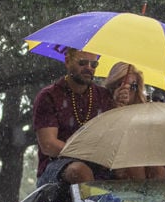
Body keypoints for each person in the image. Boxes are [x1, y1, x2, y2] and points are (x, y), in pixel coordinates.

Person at [33, 48, 115, 187]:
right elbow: (49, 145)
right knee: (80, 171)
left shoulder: (104, 96)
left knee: (136, 171)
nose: (88, 68)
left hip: (98, 162)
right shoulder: (49, 95)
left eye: (93, 64)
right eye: (82, 63)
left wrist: (123, 103)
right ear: (67, 61)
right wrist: (85, 155)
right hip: (55, 165)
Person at [104, 62, 165, 180]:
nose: (128, 90)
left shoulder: (145, 109)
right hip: (117, 159)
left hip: (146, 155)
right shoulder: (103, 105)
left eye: (133, 86)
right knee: (136, 167)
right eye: (121, 84)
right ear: (113, 86)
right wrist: (117, 109)